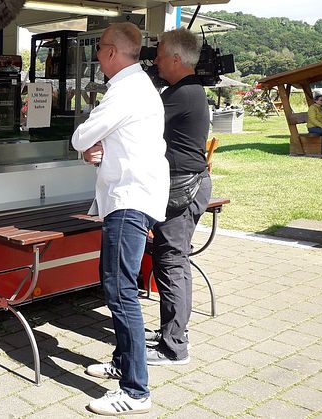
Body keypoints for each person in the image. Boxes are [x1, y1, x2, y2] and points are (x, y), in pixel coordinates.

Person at [71, 22, 169, 416]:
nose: (96, 57)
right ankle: (123, 363)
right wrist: (97, 149)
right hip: (133, 196)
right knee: (121, 287)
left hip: (128, 201)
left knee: (119, 291)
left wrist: (89, 146)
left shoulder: (125, 92)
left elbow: (81, 136)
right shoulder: (139, 86)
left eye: (98, 50)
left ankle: (135, 391)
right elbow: (110, 143)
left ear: (112, 52)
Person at [145, 27, 213, 366]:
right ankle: (172, 333)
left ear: (175, 58)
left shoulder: (180, 95)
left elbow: (140, 125)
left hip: (182, 188)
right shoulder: (190, 89)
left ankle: (174, 347)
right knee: (176, 260)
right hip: (192, 184)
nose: (154, 60)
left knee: (171, 262)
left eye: (159, 55)